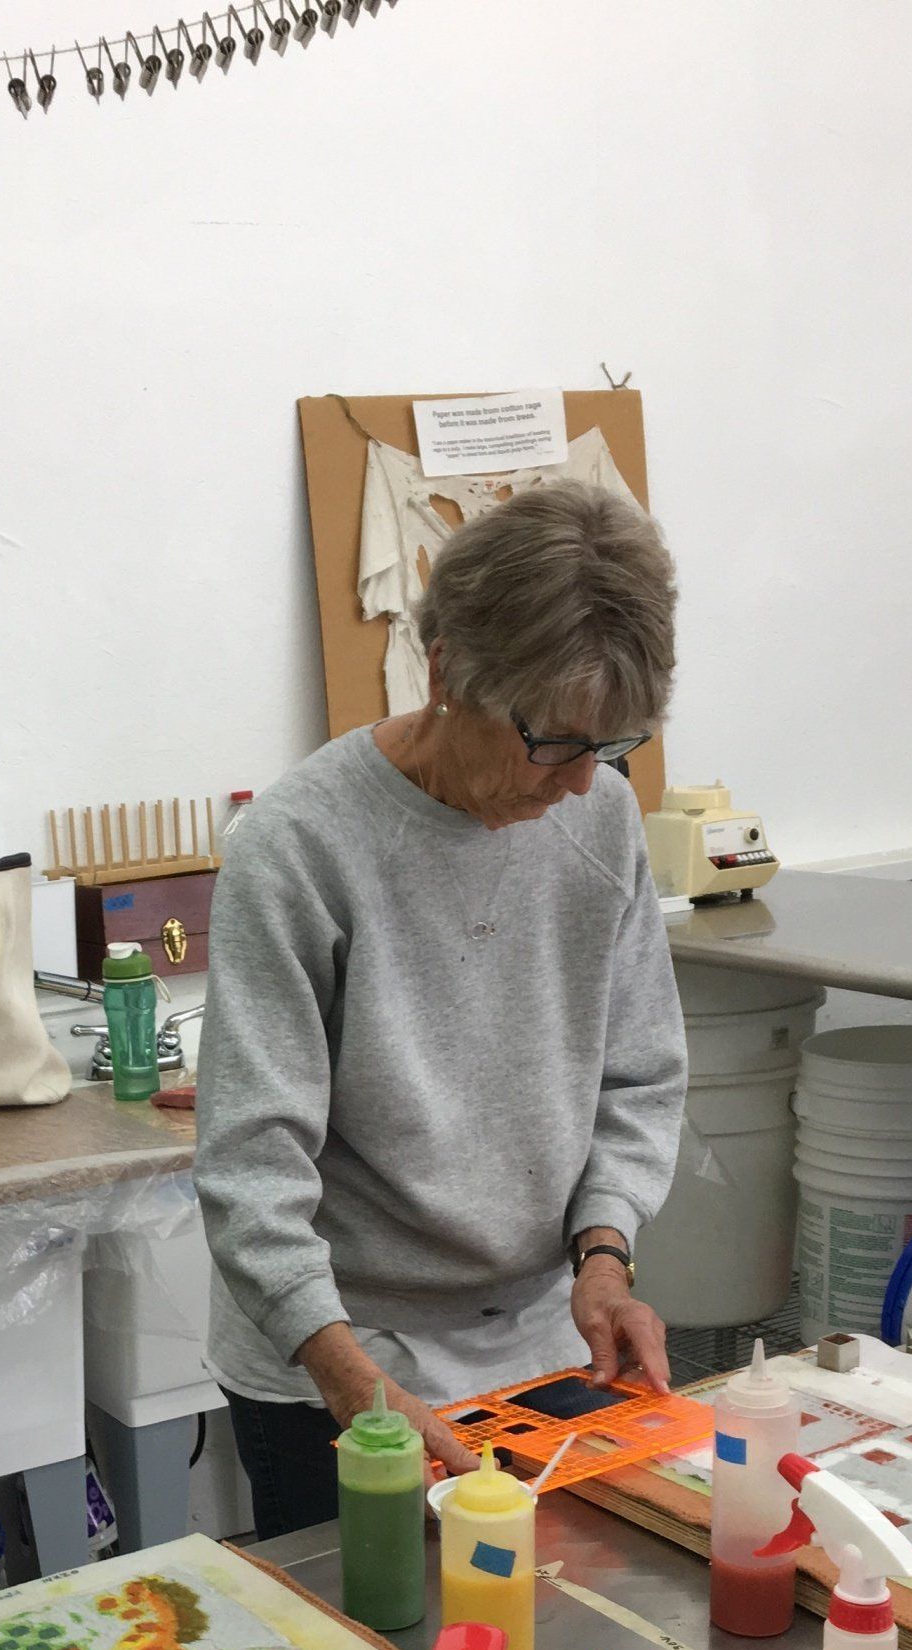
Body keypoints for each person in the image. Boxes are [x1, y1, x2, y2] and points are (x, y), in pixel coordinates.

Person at [196, 479, 688, 1538]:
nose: (577, 785)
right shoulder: (300, 847)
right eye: (553, 741)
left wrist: (604, 1257)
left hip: (540, 1341)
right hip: (339, 1353)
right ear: (447, 672)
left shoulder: (600, 817)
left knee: (547, 1613)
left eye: (610, 747)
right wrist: (347, 1377)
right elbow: (252, 1169)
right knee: (366, 1630)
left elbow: (639, 1076)